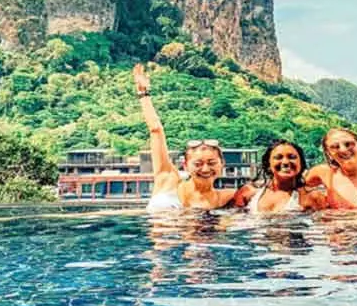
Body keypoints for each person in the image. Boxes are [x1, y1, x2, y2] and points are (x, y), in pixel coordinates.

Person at [135, 63, 239, 211]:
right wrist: (143, 93)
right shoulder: (168, 179)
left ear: (222, 164)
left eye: (211, 163)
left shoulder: (226, 198)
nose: (205, 169)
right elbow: (156, 129)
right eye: (198, 164)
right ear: (185, 165)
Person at [233, 139, 326, 213]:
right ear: (268, 165)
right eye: (278, 157)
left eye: (292, 157)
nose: (285, 162)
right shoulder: (248, 193)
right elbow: (231, 220)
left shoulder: (312, 198)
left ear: (301, 163)